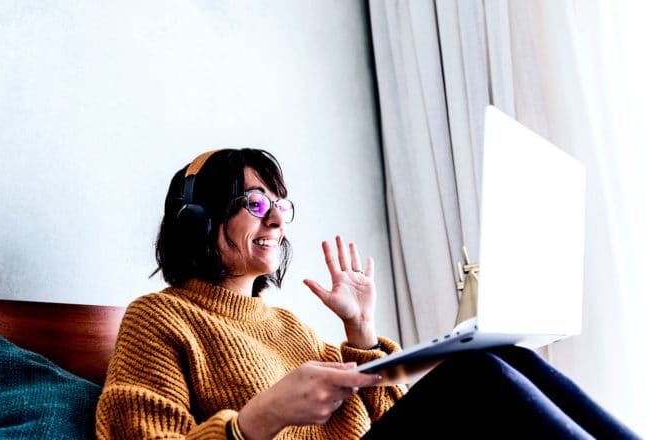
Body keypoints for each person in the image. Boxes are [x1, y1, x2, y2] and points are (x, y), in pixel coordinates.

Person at [95, 148, 639, 440]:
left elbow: (383, 422)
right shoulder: (158, 319)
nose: (277, 219)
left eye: (280, 205)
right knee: (478, 375)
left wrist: (359, 332)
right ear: (198, 221)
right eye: (255, 203)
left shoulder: (290, 329)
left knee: (503, 354)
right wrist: (258, 419)